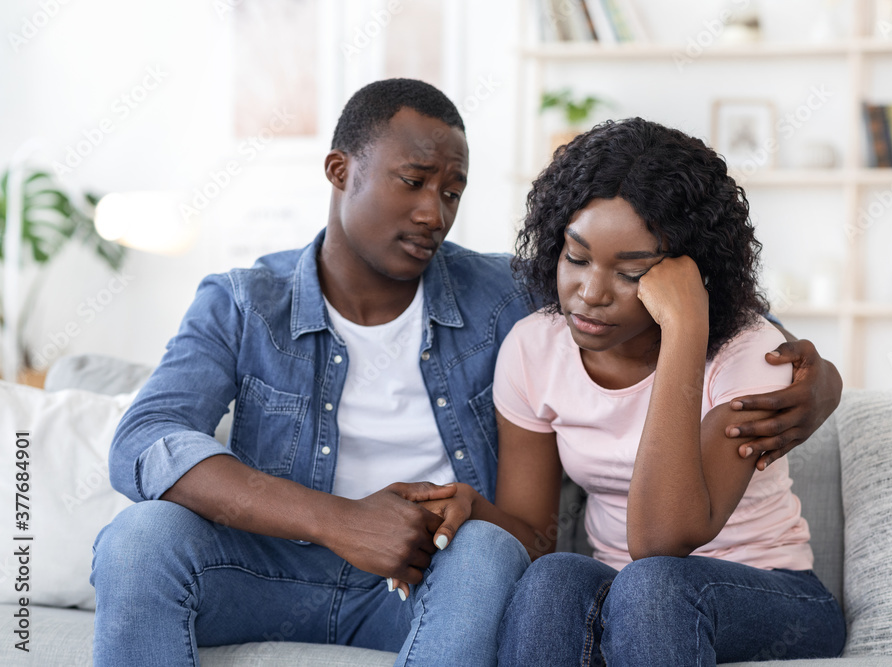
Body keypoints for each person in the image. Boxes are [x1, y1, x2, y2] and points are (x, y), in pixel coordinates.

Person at [91, 80, 840, 666]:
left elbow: (683, 295)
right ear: (340, 170)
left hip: (428, 580)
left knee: (489, 551)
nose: (434, 212)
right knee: (139, 537)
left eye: (451, 192)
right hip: (271, 571)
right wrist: (336, 520)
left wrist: (819, 378)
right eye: (413, 181)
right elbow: (144, 439)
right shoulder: (242, 303)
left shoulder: (504, 295)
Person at [413, 118, 847, 665]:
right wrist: (473, 507)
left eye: (631, 273)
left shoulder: (750, 353)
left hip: (771, 594)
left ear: (689, 275)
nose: (590, 293)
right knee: (552, 578)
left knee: (654, 585)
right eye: (576, 258)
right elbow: (537, 539)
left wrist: (684, 330)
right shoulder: (533, 348)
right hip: (625, 593)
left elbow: (661, 541)